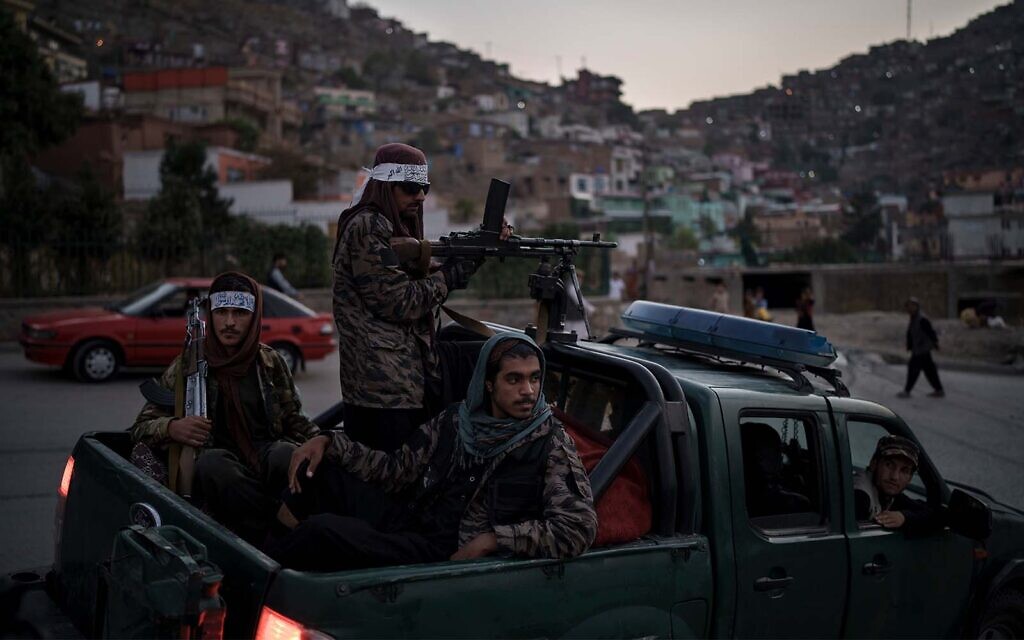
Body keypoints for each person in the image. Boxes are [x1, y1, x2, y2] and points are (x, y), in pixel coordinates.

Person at [267, 333, 598, 571]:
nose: (528, 391)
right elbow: (396, 469)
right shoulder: (456, 420)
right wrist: (328, 442)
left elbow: (576, 528)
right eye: (514, 379)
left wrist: (494, 540)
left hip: (443, 552)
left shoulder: (549, 441)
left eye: (535, 379)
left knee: (321, 531)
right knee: (319, 472)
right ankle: (266, 551)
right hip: (411, 516)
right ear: (488, 383)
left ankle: (266, 581)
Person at [131, 272, 320, 542]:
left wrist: (322, 443)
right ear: (210, 315)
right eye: (222, 312)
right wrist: (173, 427)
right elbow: (141, 427)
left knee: (286, 453)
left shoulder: (269, 362)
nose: (229, 323)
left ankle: (284, 527)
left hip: (264, 453)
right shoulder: (188, 364)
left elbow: (295, 419)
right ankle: (275, 529)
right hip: (218, 465)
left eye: (240, 313)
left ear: (254, 318)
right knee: (212, 465)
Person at [332, 143, 484, 450]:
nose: (421, 196)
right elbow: (398, 301)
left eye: (424, 187)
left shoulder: (385, 226)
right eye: (411, 188)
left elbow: (414, 282)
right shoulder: (369, 225)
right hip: (382, 391)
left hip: (397, 384)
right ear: (387, 186)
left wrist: (474, 251)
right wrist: (450, 275)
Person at [853, 435, 936, 534]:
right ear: (874, 464)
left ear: (910, 478)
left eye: (904, 471)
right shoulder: (859, 496)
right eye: (889, 465)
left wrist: (904, 517)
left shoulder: (887, 493)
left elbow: (936, 515)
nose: (895, 477)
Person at [898, 297, 944, 398]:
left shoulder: (921, 319)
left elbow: (930, 332)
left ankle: (907, 391)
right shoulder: (913, 318)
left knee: (913, 369)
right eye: (908, 306)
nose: (909, 309)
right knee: (930, 370)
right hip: (919, 349)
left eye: (911, 306)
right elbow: (911, 334)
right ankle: (939, 389)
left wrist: (936, 344)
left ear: (916, 307)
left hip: (922, 349)